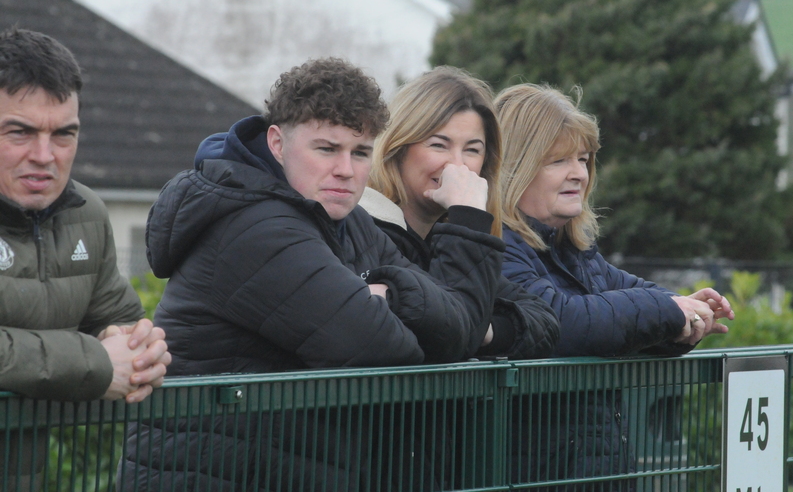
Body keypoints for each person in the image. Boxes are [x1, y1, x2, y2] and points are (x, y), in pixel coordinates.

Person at [121, 58, 497, 490]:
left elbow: (459, 329)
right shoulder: (253, 227)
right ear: (277, 143)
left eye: (360, 152)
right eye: (326, 149)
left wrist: (390, 295)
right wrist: (405, 303)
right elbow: (379, 348)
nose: (346, 169)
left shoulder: (349, 220)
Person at [495, 83, 735, 491]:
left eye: (583, 159)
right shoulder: (496, 246)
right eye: (558, 160)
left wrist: (687, 315)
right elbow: (563, 322)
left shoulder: (574, 251)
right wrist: (670, 311)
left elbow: (633, 302)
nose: (579, 173)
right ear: (515, 168)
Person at [0, 27, 170, 486]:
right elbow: (99, 361)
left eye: (63, 134)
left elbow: (117, 321)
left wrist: (141, 351)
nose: (44, 155)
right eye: (20, 132)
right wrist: (96, 364)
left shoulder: (85, 213)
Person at [363, 66, 559, 360]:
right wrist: (467, 216)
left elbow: (546, 323)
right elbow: (444, 336)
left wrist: (482, 329)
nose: (457, 165)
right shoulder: (365, 229)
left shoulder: (453, 238)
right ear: (397, 148)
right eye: (439, 145)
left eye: (472, 150)